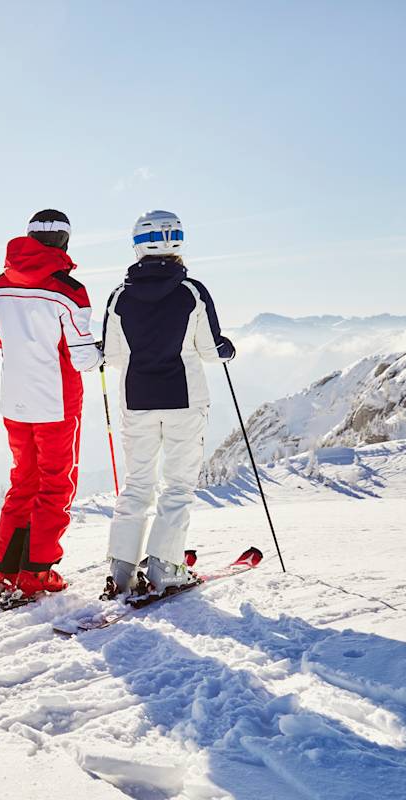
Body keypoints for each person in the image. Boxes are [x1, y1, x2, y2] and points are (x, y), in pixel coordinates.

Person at [100, 209, 235, 599]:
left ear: (138, 245)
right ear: (178, 241)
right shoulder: (191, 291)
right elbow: (211, 351)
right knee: (177, 486)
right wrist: (227, 349)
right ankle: (164, 568)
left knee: (137, 484)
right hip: (184, 401)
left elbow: (111, 354)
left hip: (137, 401)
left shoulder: (120, 295)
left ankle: (121, 571)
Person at [0, 209, 102, 600]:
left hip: (13, 399)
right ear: (65, 242)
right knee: (54, 485)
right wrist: (99, 351)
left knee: (23, 481)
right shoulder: (68, 290)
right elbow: (82, 358)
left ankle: (6, 569)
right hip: (56, 401)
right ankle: (37, 572)